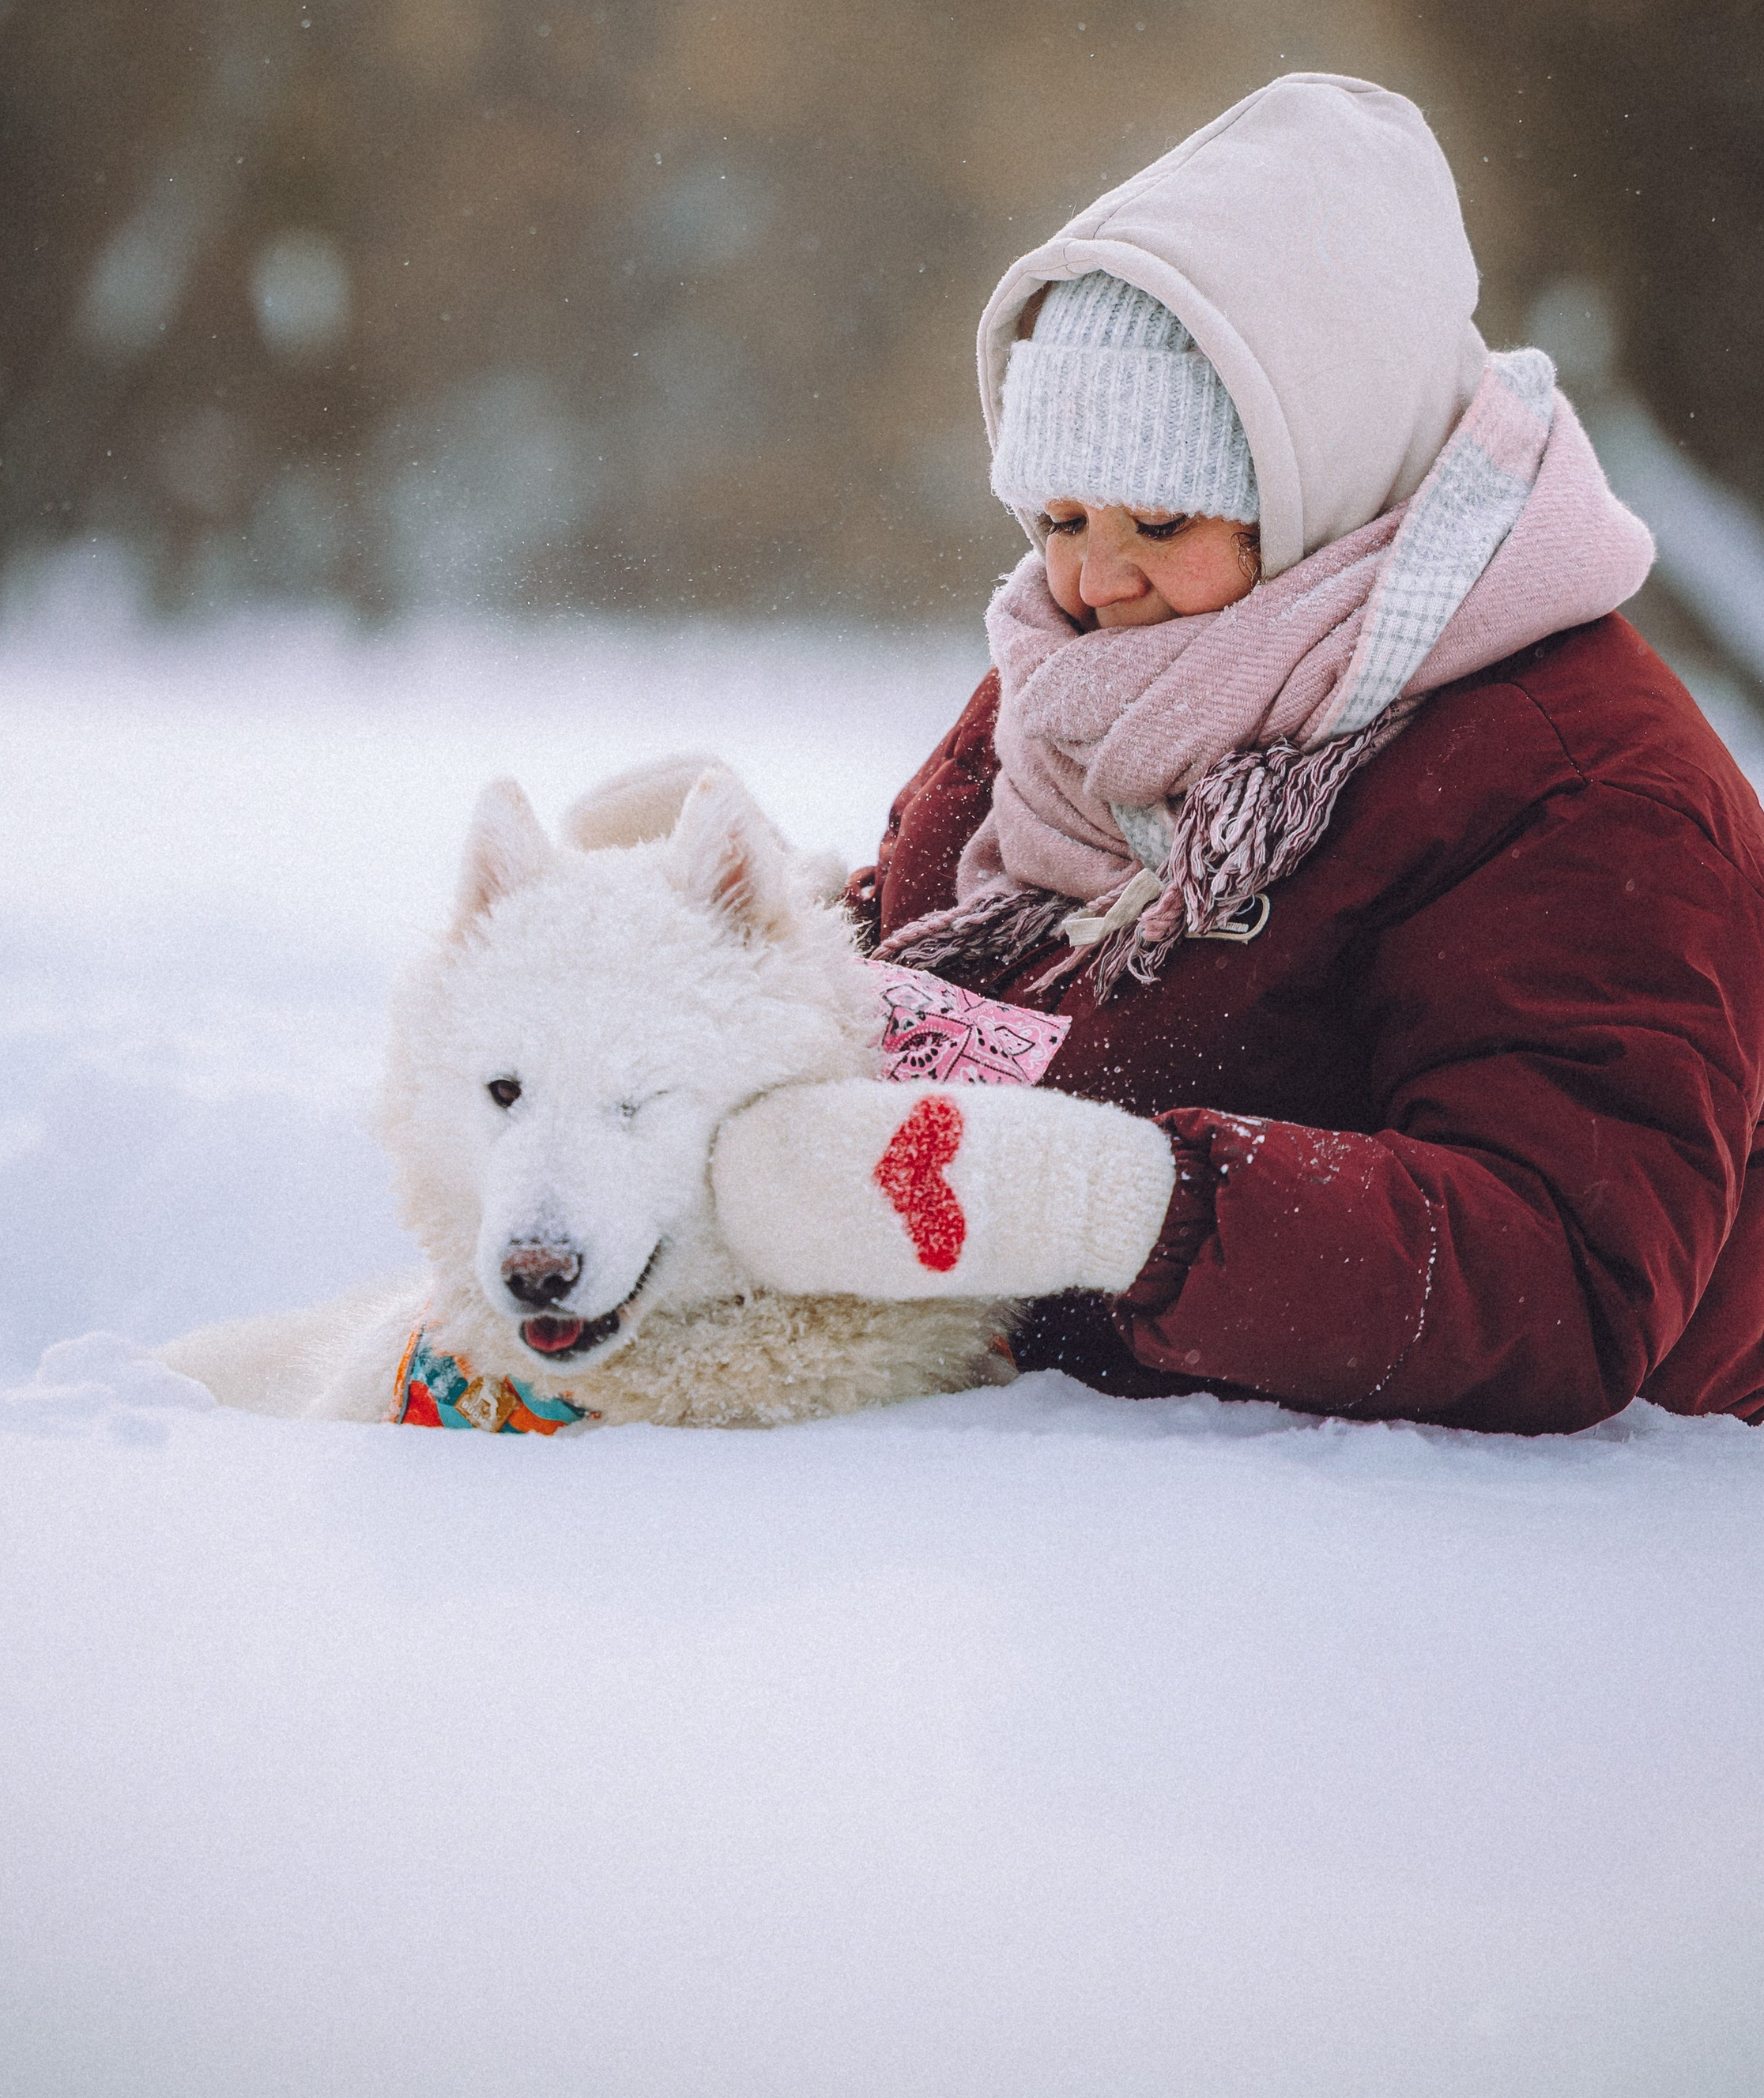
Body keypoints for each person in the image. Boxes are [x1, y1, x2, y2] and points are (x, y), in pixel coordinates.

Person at [712, 72, 1764, 1432]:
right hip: (1050, 1500)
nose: (1094, 581)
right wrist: (752, 938)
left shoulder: (1586, 791)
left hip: (1437, 1552)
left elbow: (1560, 1282)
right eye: (1058, 514)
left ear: (1325, 467)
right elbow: (975, 964)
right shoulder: (1100, 675)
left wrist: (1110, 1204)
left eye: (1164, 519)